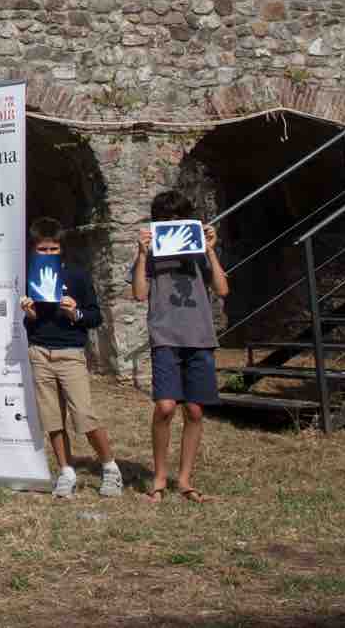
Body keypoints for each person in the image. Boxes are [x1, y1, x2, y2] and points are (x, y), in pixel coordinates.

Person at [134, 190, 228, 504]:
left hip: (200, 336)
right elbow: (138, 293)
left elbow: (222, 288)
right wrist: (142, 254)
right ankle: (159, 477)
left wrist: (211, 251)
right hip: (165, 335)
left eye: (178, 217)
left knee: (195, 410)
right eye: (166, 219)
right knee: (165, 407)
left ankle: (185, 479)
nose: (172, 223)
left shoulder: (199, 250)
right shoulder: (154, 253)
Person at [20, 216, 122, 499]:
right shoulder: (29, 277)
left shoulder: (77, 276)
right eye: (43, 249)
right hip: (39, 352)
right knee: (52, 418)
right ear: (33, 249)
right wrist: (28, 314)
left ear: (61, 249)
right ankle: (66, 471)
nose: (49, 254)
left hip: (70, 353)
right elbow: (31, 324)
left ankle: (110, 467)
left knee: (84, 415)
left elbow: (95, 316)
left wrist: (75, 312)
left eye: (53, 249)